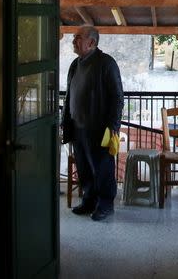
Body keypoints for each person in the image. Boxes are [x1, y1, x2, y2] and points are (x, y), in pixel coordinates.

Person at [61, 26, 124, 222]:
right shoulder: (75, 64)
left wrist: (113, 126)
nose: (73, 41)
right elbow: (70, 94)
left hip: (100, 129)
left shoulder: (106, 63)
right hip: (78, 127)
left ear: (91, 43)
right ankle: (89, 201)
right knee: (84, 168)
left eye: (78, 38)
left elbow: (117, 97)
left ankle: (105, 205)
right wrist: (66, 121)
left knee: (103, 168)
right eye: (74, 38)